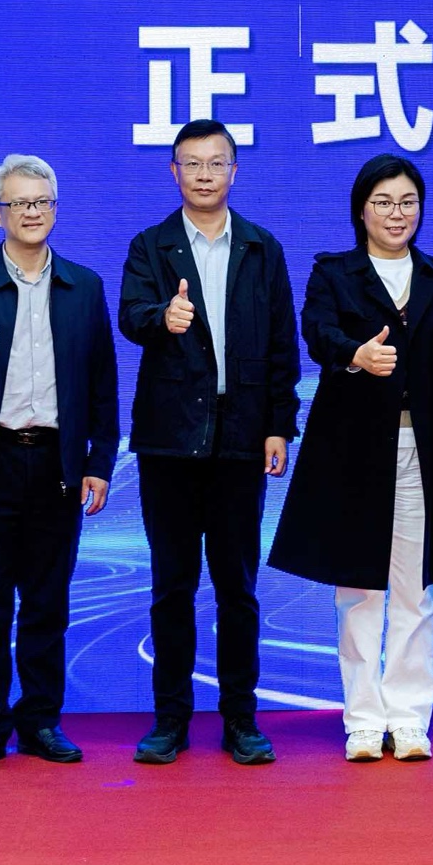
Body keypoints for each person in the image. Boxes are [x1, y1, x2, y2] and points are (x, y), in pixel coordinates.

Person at [267, 154, 433, 762]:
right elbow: (317, 333)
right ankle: (362, 718)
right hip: (353, 450)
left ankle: (408, 718)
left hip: (423, 451)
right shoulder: (334, 272)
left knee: (415, 589)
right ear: (361, 209)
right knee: (359, 589)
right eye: (383, 202)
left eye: (407, 202)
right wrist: (355, 354)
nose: (396, 213)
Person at [0, 154, 119, 772]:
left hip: (59, 463)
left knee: (47, 602)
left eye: (41, 202)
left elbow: (102, 382)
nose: (31, 213)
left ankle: (40, 721)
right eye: (19, 203)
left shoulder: (84, 286)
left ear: (54, 209)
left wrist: (100, 462)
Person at [118, 120, 300, 767]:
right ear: (173, 172)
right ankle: (170, 720)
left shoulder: (261, 248)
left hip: (241, 439)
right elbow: (129, 314)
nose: (203, 174)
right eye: (191, 164)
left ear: (233, 171)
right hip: (169, 441)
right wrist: (161, 317)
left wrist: (279, 424)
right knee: (172, 586)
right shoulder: (152, 245)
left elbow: (282, 343)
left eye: (215, 163)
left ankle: (240, 720)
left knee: (237, 588)